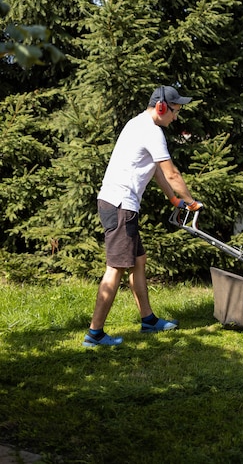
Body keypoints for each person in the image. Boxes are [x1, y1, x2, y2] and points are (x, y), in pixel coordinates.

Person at [83, 85, 203, 347]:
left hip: (117, 203)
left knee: (138, 260)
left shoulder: (137, 124)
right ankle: (94, 334)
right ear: (161, 107)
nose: (176, 116)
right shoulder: (152, 130)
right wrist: (192, 202)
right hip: (120, 205)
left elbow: (156, 169)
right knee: (115, 268)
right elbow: (172, 173)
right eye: (175, 111)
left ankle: (148, 320)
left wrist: (173, 198)